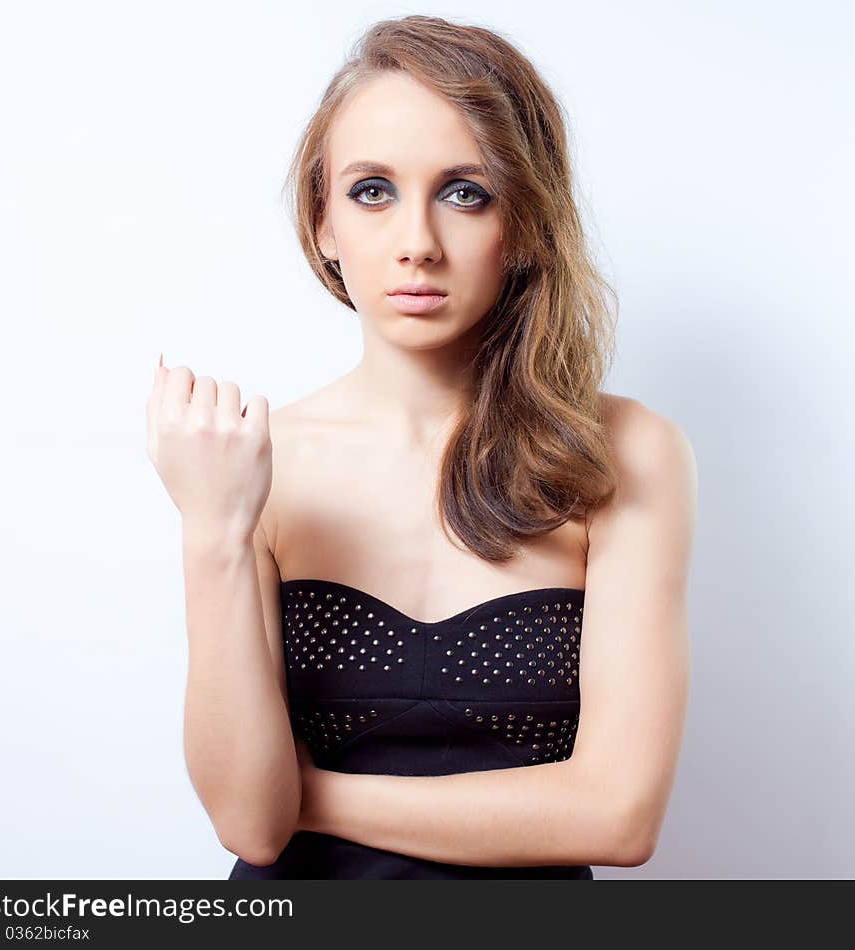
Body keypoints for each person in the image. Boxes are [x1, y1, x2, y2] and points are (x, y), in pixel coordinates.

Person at [146, 14, 697, 880]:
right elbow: (250, 825)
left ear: (522, 223)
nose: (417, 244)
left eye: (464, 191)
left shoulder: (626, 454)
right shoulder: (256, 462)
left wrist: (306, 795)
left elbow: (619, 818)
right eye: (372, 191)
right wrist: (214, 531)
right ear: (322, 222)